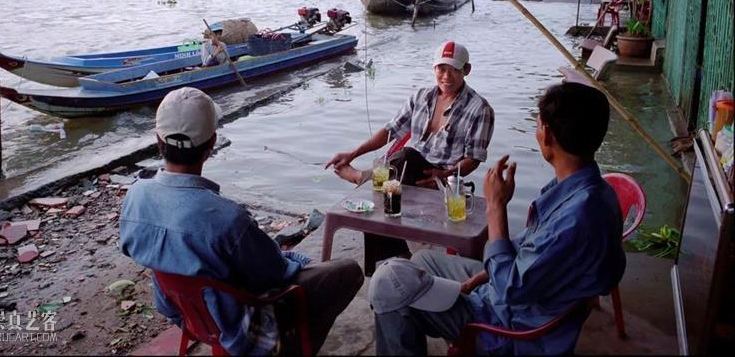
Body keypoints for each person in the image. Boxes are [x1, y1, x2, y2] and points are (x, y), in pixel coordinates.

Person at [368, 82, 626, 355]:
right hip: (516, 293)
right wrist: (478, 278)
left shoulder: (576, 218)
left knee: (387, 284)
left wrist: (495, 206)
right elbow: (533, 252)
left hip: (510, 327)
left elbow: (510, 289)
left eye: (538, 125)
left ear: (547, 135)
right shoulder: (594, 192)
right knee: (422, 261)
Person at [120, 87, 363, 356]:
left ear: (158, 140)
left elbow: (133, 248)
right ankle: (291, 349)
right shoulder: (228, 219)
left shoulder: (136, 195)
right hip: (241, 328)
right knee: (346, 271)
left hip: (184, 315)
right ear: (212, 144)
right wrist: (299, 261)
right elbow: (276, 275)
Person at [326, 41, 494, 190]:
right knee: (405, 157)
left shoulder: (480, 109)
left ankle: (363, 177)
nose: (446, 77)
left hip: (442, 177)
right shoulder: (421, 96)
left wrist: (444, 175)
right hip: (408, 168)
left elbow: (473, 159)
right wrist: (353, 154)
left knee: (406, 155)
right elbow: (390, 131)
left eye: (454, 70)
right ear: (434, 68)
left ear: (467, 69)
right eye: (441, 69)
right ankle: (374, 178)